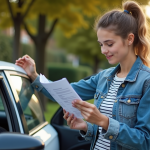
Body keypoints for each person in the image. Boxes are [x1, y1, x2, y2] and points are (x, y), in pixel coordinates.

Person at [15, 1, 150, 149]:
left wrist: (104, 121)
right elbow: (62, 92)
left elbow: (145, 141)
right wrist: (86, 127)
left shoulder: (146, 82)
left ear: (130, 39)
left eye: (109, 44)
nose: (103, 50)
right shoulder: (103, 78)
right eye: (101, 44)